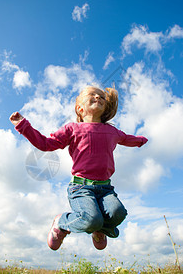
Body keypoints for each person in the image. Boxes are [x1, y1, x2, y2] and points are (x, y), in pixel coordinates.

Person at [9, 85, 148, 251]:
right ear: (80, 108)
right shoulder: (72, 129)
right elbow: (46, 144)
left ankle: (99, 230)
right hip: (81, 187)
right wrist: (23, 126)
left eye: (102, 97)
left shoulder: (111, 131)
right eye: (92, 95)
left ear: (104, 108)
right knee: (91, 219)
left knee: (118, 213)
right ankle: (61, 222)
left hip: (105, 188)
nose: (98, 97)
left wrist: (141, 140)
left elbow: (127, 138)